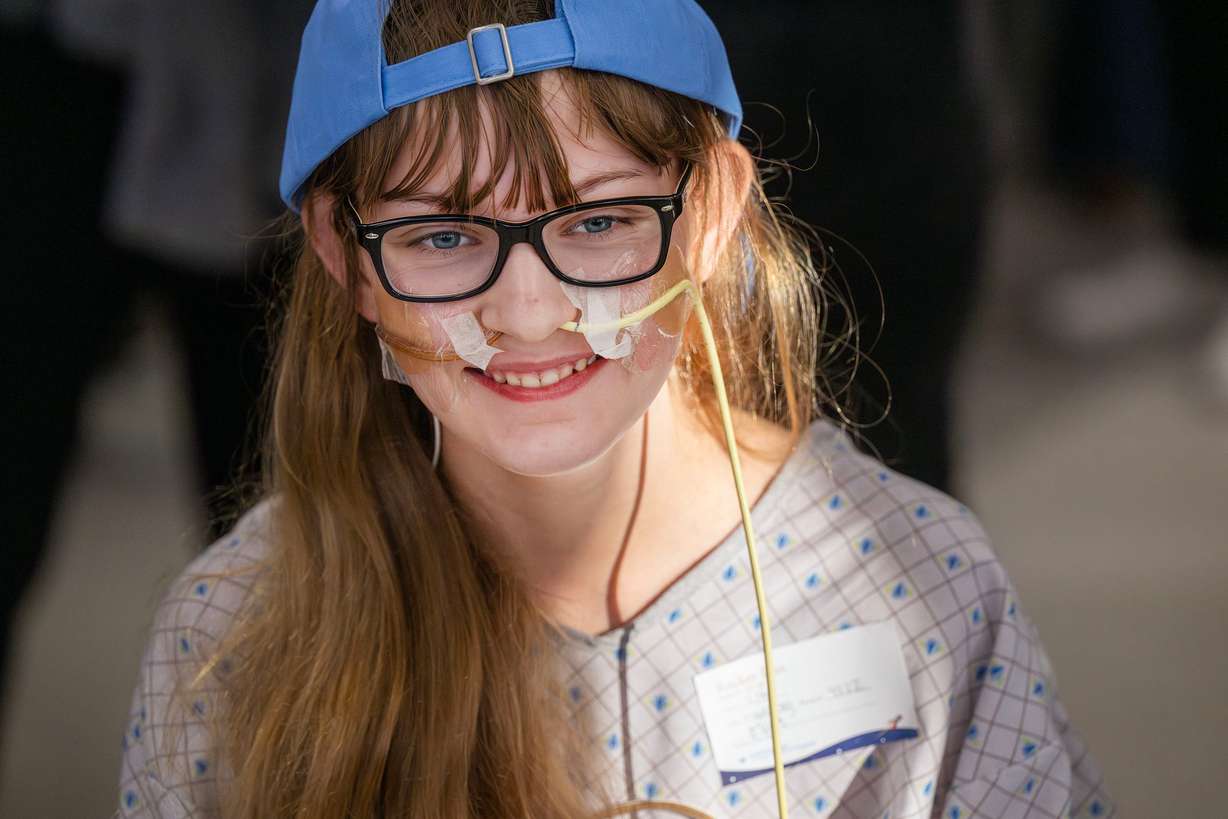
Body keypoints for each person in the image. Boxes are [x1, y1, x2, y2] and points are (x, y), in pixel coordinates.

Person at [114, 2, 1112, 817]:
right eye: (443, 238)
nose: (529, 314)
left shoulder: (922, 590)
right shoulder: (231, 641)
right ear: (343, 254)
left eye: (596, 221)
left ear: (711, 212)